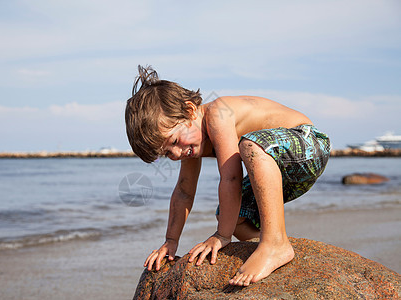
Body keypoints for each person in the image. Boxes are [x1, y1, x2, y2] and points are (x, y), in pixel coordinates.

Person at [125, 65, 330, 286]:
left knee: (250, 147)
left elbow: (231, 177)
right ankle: (268, 248)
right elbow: (184, 191)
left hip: (308, 143)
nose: (176, 154)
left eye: (174, 141)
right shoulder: (192, 146)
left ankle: (276, 244)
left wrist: (221, 236)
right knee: (232, 216)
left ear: (190, 110)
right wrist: (171, 241)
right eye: (166, 153)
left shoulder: (217, 113)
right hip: (279, 172)